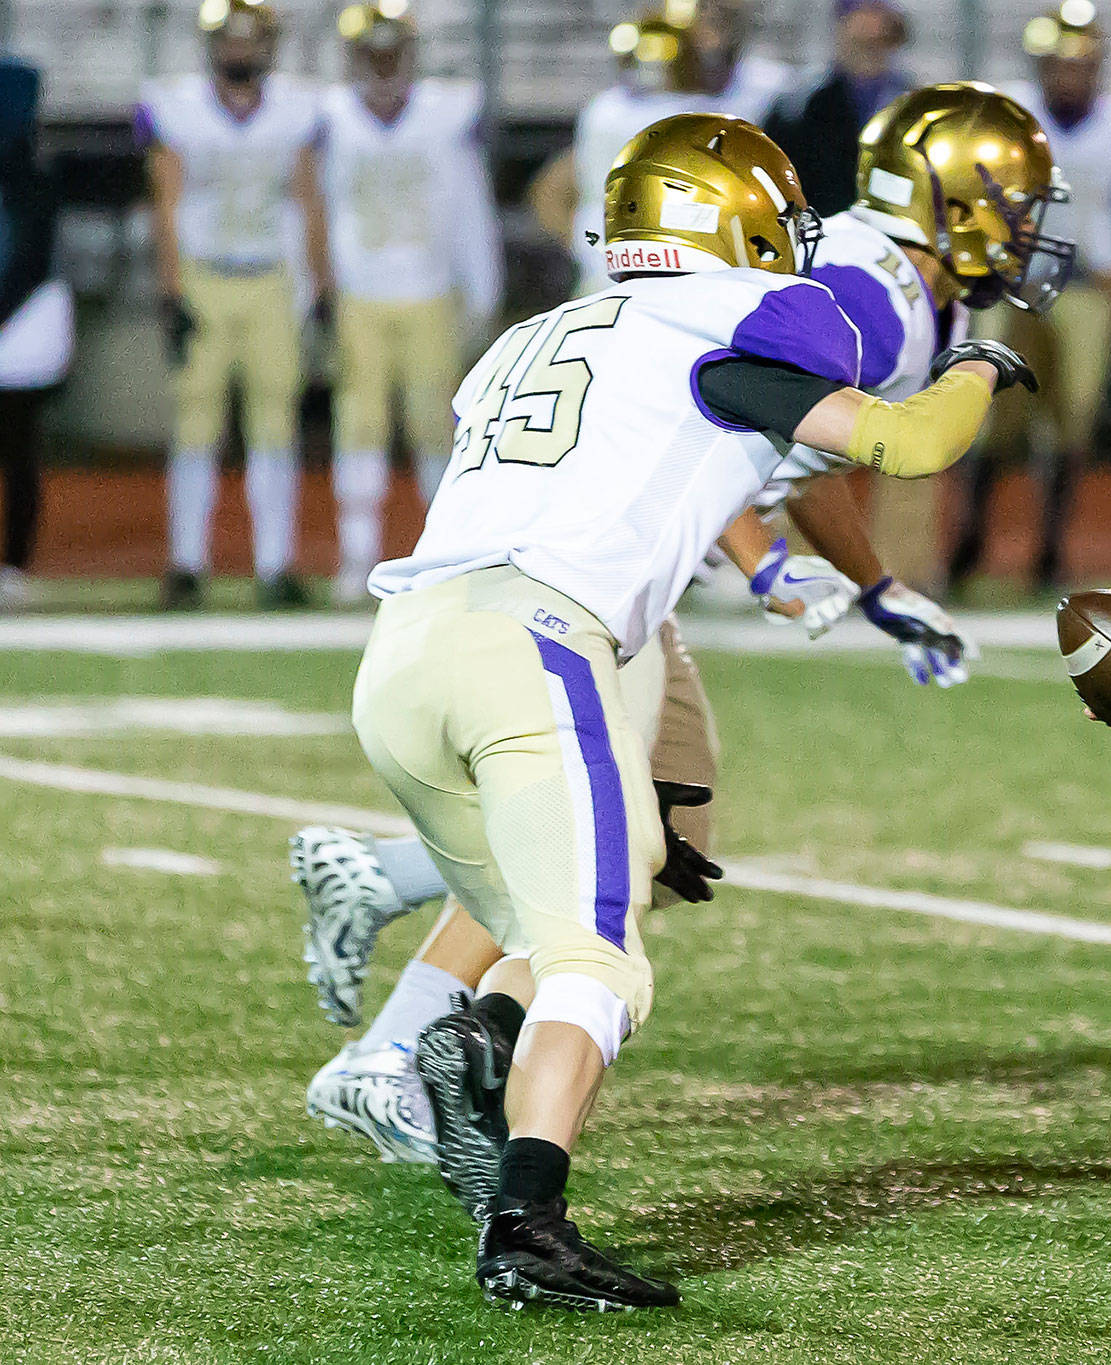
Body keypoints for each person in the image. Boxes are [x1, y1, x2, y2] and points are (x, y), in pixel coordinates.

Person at [294, 82, 1068, 1166]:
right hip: (585, 581)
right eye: (1018, 201)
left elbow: (784, 456)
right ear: (954, 201)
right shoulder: (859, 296)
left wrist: (865, 589)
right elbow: (771, 411)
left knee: (658, 840)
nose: (1033, 228)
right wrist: (775, 566)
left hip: (506, 591)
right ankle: (406, 1043)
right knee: (602, 871)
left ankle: (415, 984)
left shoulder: (889, 293)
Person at [950, 1, 1111, 592]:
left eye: (1080, 65)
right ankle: (968, 543)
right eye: (1058, 65)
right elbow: (953, 184)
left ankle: (1049, 554)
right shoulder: (1005, 113)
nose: (1069, 77)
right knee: (988, 408)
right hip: (1011, 283)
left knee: (1073, 417)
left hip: (1088, 286)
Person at [138, 0, 329, 610]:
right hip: (205, 277)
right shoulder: (180, 108)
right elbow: (164, 201)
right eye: (231, 41)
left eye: (250, 41)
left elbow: (308, 199)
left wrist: (319, 284)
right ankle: (186, 564)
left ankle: (275, 565)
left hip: (271, 277)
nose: (240, 52)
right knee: (195, 426)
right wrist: (171, 289)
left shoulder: (295, 112)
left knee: (275, 425)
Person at [322, 3, 501, 602]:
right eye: (373, 53)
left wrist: (482, 286)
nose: (383, 64)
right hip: (360, 292)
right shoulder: (332, 119)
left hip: (428, 291)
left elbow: (469, 205)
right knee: (359, 425)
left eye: (391, 51)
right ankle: (356, 555)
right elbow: (314, 208)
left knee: (438, 428)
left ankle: (443, 553)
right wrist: (313, 288)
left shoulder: (444, 116)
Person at [527, 1, 786, 298]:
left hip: (723, 282)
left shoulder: (769, 94)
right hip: (621, 283)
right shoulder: (613, 112)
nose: (706, 32)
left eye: (719, 17)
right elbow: (553, 191)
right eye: (700, 13)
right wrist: (589, 247)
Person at [0, 56, 67, 609]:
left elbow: (32, 255)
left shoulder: (32, 177)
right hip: (16, 313)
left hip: (20, 319)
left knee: (21, 444)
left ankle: (16, 560)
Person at [762, 0, 910, 219]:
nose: (873, 31)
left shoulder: (911, 108)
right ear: (841, 28)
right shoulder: (798, 111)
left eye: (881, 37)